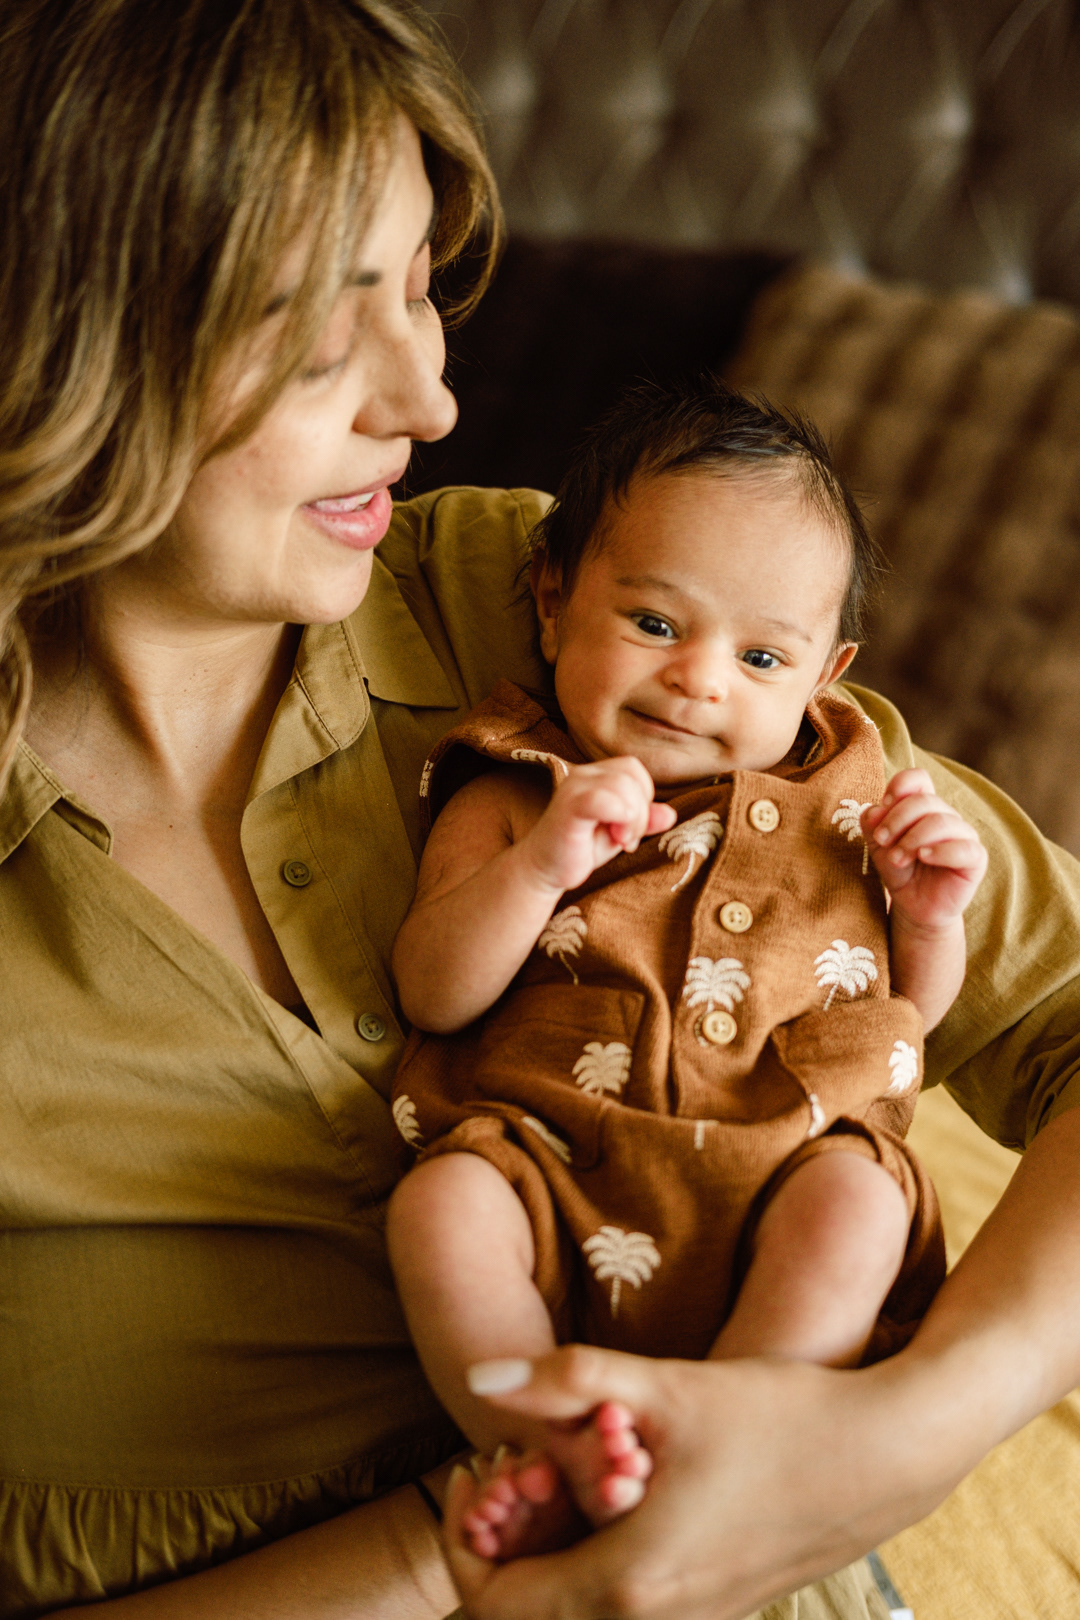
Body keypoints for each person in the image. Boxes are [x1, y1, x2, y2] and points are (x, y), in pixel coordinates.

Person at [2, 2, 1080, 1618]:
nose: (427, 402)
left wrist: (905, 1432)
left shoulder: (531, 607)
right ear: (52, 337)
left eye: (424, 281)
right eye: (311, 324)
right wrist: (459, 1556)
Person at [386, 380, 984, 1561]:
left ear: (824, 676)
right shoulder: (511, 780)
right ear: (554, 604)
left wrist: (929, 919)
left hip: (783, 1166)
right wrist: (547, 860)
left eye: (763, 656)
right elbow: (433, 991)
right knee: (437, 1209)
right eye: (656, 625)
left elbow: (908, 1019)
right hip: (553, 1169)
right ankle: (537, 1449)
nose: (702, 680)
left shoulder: (848, 809)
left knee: (862, 1200)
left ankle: (739, 1434)